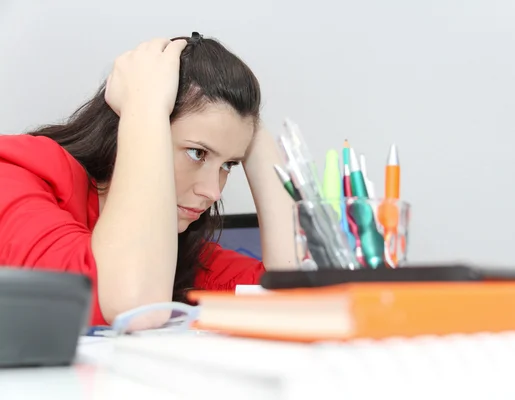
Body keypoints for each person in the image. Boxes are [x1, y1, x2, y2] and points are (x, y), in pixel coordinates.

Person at [0, 33, 296, 327]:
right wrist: (145, 105)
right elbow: (134, 302)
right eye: (197, 152)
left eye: (229, 164)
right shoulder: (16, 172)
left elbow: (293, 295)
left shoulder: (175, 246)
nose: (213, 191)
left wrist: (252, 134)